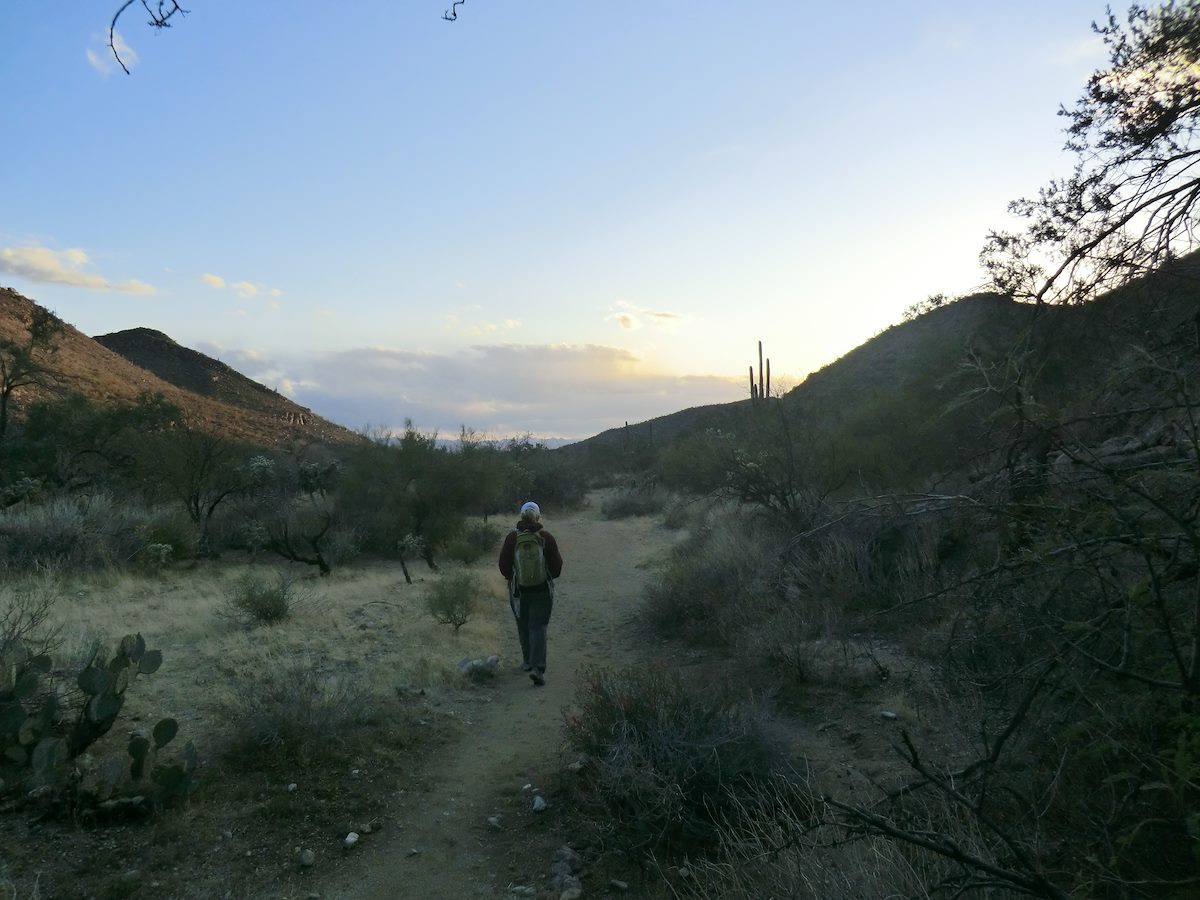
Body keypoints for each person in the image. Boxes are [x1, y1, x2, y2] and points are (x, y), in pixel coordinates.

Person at [498, 500, 563, 686]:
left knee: (523, 625)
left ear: (521, 516)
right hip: (542, 591)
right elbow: (557, 569)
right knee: (538, 627)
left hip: (518, 591)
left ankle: (527, 662)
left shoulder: (512, 538)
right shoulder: (546, 537)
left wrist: (515, 576)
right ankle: (537, 668)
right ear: (538, 516)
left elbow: (503, 567)